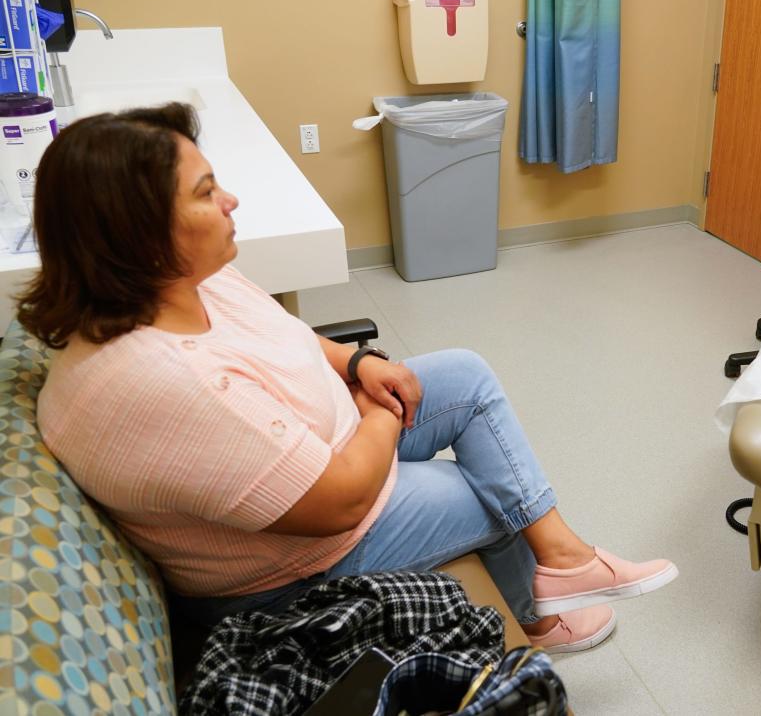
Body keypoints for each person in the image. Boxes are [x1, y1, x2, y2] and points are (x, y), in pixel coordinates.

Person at [17, 104, 678, 654]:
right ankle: (536, 621)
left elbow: (287, 338)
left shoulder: (179, 282)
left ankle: (562, 561)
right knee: (490, 493)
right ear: (138, 235)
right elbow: (338, 503)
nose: (230, 200)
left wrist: (361, 365)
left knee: (466, 377)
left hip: (332, 445)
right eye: (205, 193)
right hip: (295, 563)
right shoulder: (157, 382)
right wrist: (377, 413)